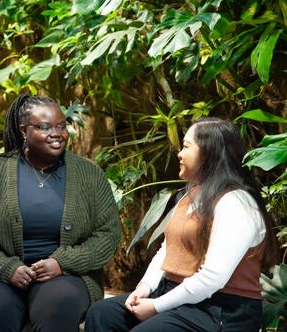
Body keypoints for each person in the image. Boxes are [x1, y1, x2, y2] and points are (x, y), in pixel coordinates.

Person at [84, 117, 278, 332]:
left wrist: (156, 306)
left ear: (209, 153)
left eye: (186, 147)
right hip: (176, 294)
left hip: (220, 308)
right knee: (103, 314)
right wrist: (145, 287)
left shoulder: (236, 203)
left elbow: (212, 279)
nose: (179, 153)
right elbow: (167, 249)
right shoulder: (191, 194)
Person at [0, 93, 121, 332]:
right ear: (24, 131)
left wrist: (62, 263)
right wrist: (7, 269)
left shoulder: (89, 174)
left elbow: (108, 235)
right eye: (45, 127)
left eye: (61, 125)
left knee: (57, 310)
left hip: (65, 277)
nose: (56, 133)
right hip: (1, 276)